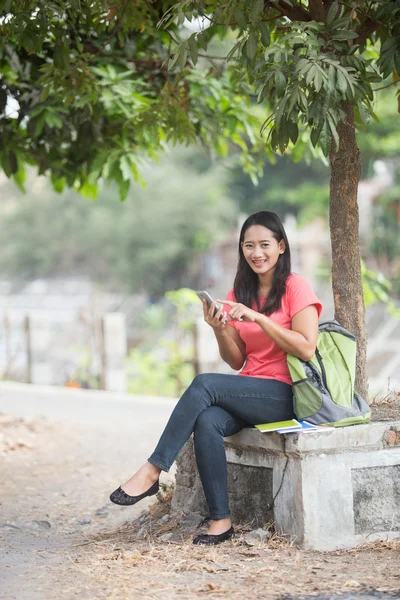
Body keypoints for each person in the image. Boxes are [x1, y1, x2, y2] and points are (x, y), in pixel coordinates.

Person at [110, 211, 322, 545]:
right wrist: (219, 328)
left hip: (286, 394)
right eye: (249, 246)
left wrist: (258, 318)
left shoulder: (296, 286)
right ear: (241, 249)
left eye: (265, 244)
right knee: (207, 419)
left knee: (205, 383)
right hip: (251, 390)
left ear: (281, 246)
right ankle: (221, 521)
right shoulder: (240, 292)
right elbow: (237, 360)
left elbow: (306, 347)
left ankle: (153, 469)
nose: (257, 253)